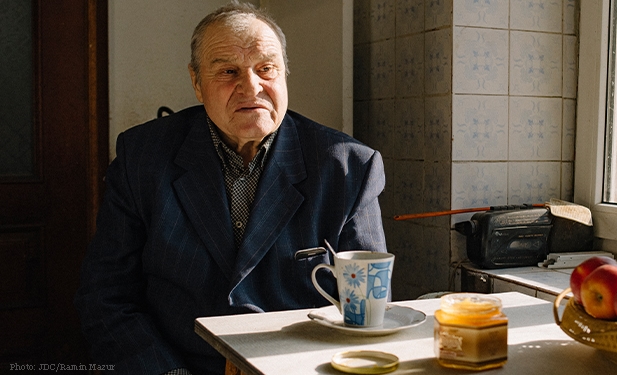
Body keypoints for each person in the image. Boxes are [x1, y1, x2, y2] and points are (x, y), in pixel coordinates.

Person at [74, 2, 387, 374]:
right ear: (196, 82)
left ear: (284, 73)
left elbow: (365, 308)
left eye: (266, 69)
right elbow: (106, 296)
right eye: (228, 71)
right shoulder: (142, 157)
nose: (251, 87)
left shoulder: (347, 167)